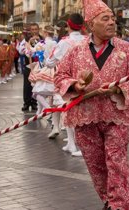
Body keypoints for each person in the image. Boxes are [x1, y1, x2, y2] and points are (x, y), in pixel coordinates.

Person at [54, 0, 129, 209]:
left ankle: (121, 205)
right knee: (95, 163)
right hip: (85, 115)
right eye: (105, 19)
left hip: (118, 115)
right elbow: (60, 76)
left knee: (116, 160)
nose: (112, 23)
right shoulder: (75, 51)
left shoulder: (127, 50)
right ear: (90, 25)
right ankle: (109, 199)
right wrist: (75, 85)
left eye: (113, 18)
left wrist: (119, 89)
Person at [47, 13, 86, 157]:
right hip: (86, 80)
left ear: (68, 26)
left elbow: (49, 62)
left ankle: (78, 145)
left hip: (68, 81)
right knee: (78, 112)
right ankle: (71, 143)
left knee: (69, 110)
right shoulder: (88, 39)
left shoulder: (64, 42)